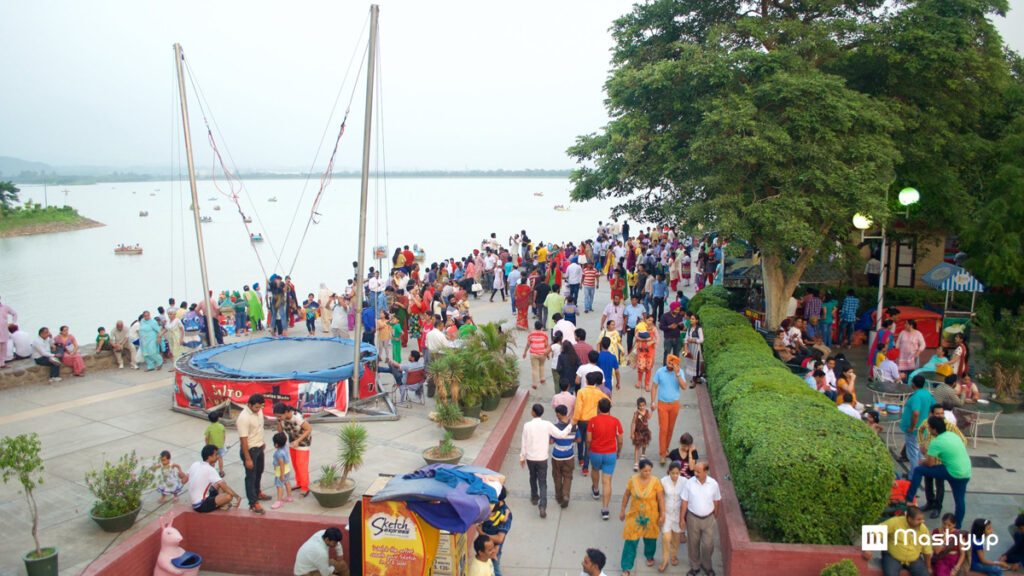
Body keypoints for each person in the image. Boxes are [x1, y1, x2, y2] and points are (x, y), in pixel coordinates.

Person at [905, 416, 972, 529]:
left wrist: (922, 462)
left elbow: (930, 464)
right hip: (965, 472)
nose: (928, 429)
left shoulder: (936, 442)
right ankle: (957, 527)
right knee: (960, 501)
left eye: (929, 428)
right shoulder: (953, 435)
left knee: (918, 470)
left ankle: (909, 498)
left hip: (951, 471)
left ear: (934, 429)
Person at [520, 403, 576, 518]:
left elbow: (523, 442)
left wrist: (522, 457)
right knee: (542, 481)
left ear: (533, 412)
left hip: (531, 458)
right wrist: (570, 425)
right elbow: (561, 435)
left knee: (532, 477)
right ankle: (542, 506)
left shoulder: (527, 425)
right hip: (542, 458)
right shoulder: (547, 425)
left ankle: (534, 497)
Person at [918, 404, 967, 518]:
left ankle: (938, 507)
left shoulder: (949, 426)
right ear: (931, 414)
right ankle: (930, 502)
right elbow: (920, 430)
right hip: (929, 458)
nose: (941, 416)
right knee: (928, 481)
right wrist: (921, 444)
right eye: (937, 414)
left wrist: (951, 452)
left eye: (942, 413)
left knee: (939, 485)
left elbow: (963, 441)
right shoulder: (927, 423)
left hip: (941, 462)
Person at [618, 459, 664, 576]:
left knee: (650, 538)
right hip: (635, 515)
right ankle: (626, 567)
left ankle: (649, 556)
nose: (647, 473)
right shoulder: (633, 480)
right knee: (630, 541)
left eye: (649, 471)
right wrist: (622, 510)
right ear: (640, 470)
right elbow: (626, 495)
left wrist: (662, 514)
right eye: (645, 471)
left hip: (651, 516)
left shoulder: (655, 482)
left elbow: (660, 499)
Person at [861, 506, 933, 576]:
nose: (921, 522)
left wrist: (928, 567)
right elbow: (876, 532)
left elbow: (927, 549)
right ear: (910, 519)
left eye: (922, 519)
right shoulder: (895, 522)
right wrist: (868, 548)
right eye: (918, 520)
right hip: (892, 557)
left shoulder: (923, 529)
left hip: (913, 559)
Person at [680, 461, 721, 576]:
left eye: (698, 471)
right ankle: (695, 566)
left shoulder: (713, 484)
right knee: (693, 544)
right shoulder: (689, 483)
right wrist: (682, 518)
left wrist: (715, 516)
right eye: (695, 471)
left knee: (708, 545)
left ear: (706, 472)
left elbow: (716, 501)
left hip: (708, 519)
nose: (695, 473)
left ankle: (707, 566)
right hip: (693, 518)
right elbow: (684, 501)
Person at [588, 397, 623, 521]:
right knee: (607, 481)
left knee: (595, 469)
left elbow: (589, 439)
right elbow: (620, 440)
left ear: (598, 408)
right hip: (610, 453)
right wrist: (618, 451)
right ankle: (605, 509)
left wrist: (588, 450)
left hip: (596, 451)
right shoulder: (616, 421)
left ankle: (596, 489)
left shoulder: (593, 421)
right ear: (610, 408)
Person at [652, 354, 688, 465]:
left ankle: (666, 448)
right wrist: (653, 401)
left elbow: (684, 387)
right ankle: (662, 454)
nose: (670, 366)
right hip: (662, 404)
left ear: (676, 365)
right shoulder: (660, 372)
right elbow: (654, 386)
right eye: (668, 363)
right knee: (663, 429)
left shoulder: (679, 372)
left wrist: (677, 374)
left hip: (674, 405)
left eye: (672, 364)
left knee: (670, 429)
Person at [237, 393, 269, 514]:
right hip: (250, 450)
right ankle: (253, 503)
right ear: (249, 405)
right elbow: (243, 440)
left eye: (260, 407)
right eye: (256, 407)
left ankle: (258, 492)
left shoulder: (259, 411)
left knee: (259, 472)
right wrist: (247, 458)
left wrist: (262, 442)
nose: (258, 410)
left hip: (259, 446)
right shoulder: (243, 418)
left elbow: (258, 429)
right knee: (251, 476)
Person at [186, 444, 242, 513]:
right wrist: (237, 497)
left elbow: (184, 479)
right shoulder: (209, 469)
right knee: (229, 496)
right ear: (209, 457)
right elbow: (224, 487)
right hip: (200, 505)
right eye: (216, 455)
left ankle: (219, 501)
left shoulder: (195, 464)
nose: (218, 457)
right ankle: (221, 503)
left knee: (219, 483)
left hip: (195, 501)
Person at [274, 403, 312, 496]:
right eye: (277, 417)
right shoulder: (282, 419)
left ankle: (305, 487)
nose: (279, 418)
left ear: (286, 412)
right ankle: (299, 482)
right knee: (295, 464)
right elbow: (280, 431)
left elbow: (308, 429)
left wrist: (298, 441)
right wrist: (279, 421)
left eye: (280, 416)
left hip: (303, 442)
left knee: (301, 464)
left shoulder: (297, 417)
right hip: (292, 442)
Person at [902, 375, 936, 477]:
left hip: (914, 431)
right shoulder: (928, 394)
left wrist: (912, 426)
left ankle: (913, 475)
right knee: (920, 452)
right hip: (924, 429)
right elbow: (933, 409)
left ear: (913, 384)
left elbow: (915, 413)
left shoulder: (916, 396)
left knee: (913, 454)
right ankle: (919, 472)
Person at [551, 404, 579, 509]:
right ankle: (566, 495)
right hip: (569, 456)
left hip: (557, 456)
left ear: (558, 414)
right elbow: (579, 439)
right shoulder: (574, 426)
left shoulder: (555, 427)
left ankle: (559, 497)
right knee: (568, 476)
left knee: (557, 476)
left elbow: (551, 441)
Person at [479, 486, 512, 576]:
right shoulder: (491, 508)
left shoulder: (505, 513)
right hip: (484, 549)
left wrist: (482, 533)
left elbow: (499, 539)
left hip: (494, 550)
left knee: (495, 570)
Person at [660, 461, 686, 570]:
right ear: (669, 472)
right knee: (666, 538)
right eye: (672, 473)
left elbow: (685, 500)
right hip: (667, 514)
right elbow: (660, 499)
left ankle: (673, 555)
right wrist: (661, 515)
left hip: (678, 514)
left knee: (676, 537)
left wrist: (682, 518)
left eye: (677, 473)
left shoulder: (684, 481)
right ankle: (665, 560)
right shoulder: (663, 481)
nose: (675, 475)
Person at [523, 321, 551, 390]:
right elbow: (546, 345)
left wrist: (525, 352)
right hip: (543, 353)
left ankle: (535, 384)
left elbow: (528, 345)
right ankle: (542, 379)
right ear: (541, 327)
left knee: (534, 369)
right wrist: (548, 354)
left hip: (534, 354)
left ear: (534, 326)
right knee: (542, 365)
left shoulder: (531, 334)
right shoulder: (544, 335)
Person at [270, 432, 294, 509]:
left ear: (276, 444)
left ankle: (279, 502)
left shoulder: (278, 453)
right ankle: (289, 496)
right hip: (287, 469)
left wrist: (281, 475)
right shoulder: (285, 447)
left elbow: (281, 464)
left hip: (280, 471)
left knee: (279, 486)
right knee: (287, 483)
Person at [630, 397, 651, 471]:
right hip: (638, 432)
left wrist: (652, 410)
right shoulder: (636, 413)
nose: (642, 407)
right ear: (637, 406)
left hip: (645, 431)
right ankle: (636, 463)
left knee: (644, 444)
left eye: (643, 405)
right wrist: (632, 433)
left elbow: (649, 417)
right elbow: (633, 423)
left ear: (645, 405)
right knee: (637, 447)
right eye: (640, 405)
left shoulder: (647, 411)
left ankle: (643, 455)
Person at [204, 411, 226, 477]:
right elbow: (224, 435)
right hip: (220, 445)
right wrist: (223, 442)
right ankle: (221, 471)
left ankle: (212, 471)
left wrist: (207, 445)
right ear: (218, 418)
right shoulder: (222, 426)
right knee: (220, 458)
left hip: (212, 447)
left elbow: (207, 438)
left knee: (212, 460)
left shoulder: (209, 428)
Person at [684, 313, 704, 383]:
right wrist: (686, 347)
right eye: (691, 319)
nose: (691, 320)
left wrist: (693, 340)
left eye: (693, 319)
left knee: (696, 363)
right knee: (691, 362)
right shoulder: (689, 328)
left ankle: (695, 379)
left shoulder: (699, 329)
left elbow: (701, 340)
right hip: (690, 348)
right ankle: (695, 378)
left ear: (697, 320)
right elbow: (686, 337)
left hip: (696, 348)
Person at [0, 296, 16, 370]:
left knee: (4, 348)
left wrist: (13, 323)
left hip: (3, 332)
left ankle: (2, 363)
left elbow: (14, 313)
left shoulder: (5, 307)